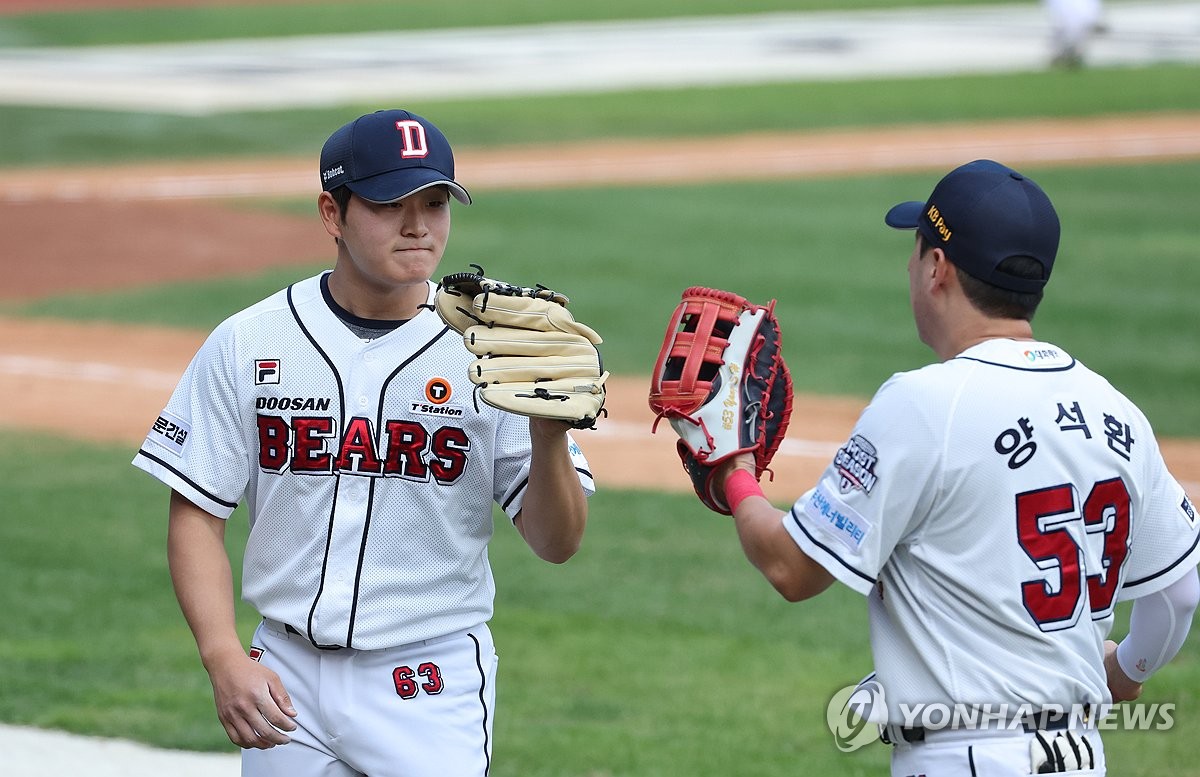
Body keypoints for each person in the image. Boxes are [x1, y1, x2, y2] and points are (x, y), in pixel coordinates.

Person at [132, 108, 594, 776]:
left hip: (426, 683)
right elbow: (197, 511)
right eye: (388, 204)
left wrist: (549, 439)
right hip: (284, 675)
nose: (417, 225)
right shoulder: (248, 341)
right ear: (332, 212)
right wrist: (222, 654)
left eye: (434, 203)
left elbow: (558, 543)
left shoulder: (494, 355)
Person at [715, 159, 1200, 775]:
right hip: (1082, 758)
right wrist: (1128, 670)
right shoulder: (1117, 412)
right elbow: (1180, 594)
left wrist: (732, 471)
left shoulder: (924, 405)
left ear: (937, 268)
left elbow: (792, 568)